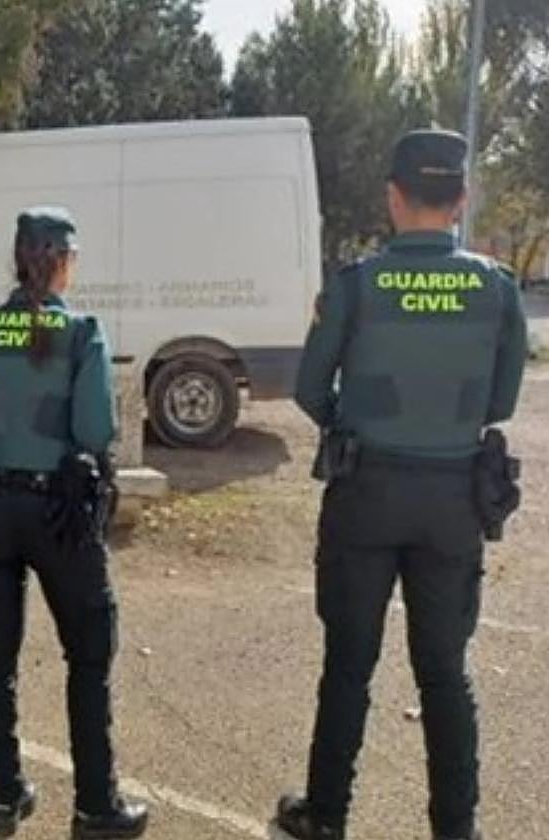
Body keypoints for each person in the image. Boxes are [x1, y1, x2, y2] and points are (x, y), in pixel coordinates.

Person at [272, 129, 528, 840]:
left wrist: (351, 420)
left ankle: (326, 816)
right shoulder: (496, 287)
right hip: (453, 500)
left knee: (349, 664)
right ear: (462, 199)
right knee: (445, 673)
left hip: (367, 492)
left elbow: (307, 389)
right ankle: (457, 829)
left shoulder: (355, 284)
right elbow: (500, 404)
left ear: (392, 196)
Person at [0, 208, 149, 839]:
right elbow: (94, 431)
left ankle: (7, 796)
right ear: (60, 261)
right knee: (88, 656)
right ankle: (94, 807)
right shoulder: (83, 334)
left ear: (18, 258)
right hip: (60, 516)